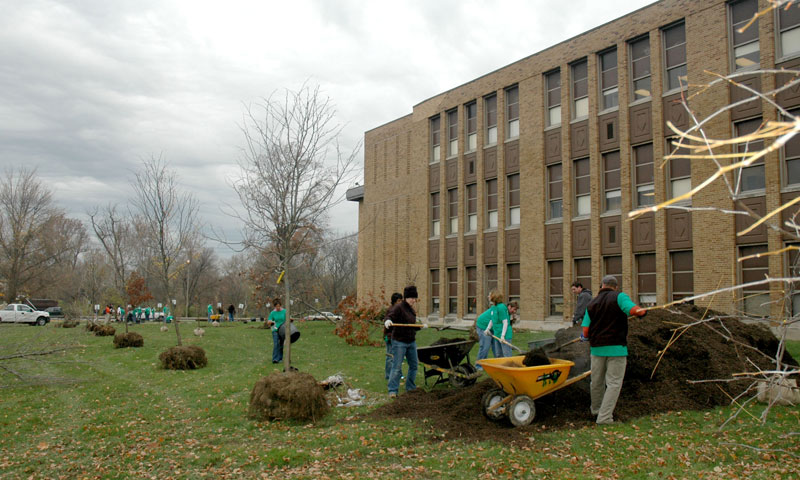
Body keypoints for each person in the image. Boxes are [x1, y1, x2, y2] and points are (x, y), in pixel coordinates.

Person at [581, 274, 647, 425]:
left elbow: (585, 331)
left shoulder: (592, 302)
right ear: (616, 287)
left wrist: (586, 336)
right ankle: (604, 418)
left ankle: (596, 410)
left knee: (596, 382)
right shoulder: (619, 296)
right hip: (616, 348)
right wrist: (642, 312)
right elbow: (632, 310)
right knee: (614, 383)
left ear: (602, 285)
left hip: (597, 349)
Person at [385, 285, 426, 398]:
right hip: (399, 342)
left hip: (411, 341)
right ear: (406, 298)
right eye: (412, 298)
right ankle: (392, 390)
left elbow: (411, 326)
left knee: (414, 365)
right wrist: (388, 321)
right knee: (397, 367)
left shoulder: (411, 309)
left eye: (415, 298)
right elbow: (390, 316)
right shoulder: (399, 307)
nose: (414, 300)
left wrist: (421, 327)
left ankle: (410, 387)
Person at [485, 289, 512, 357]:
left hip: (505, 335)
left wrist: (503, 336)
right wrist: (488, 329)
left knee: (506, 354)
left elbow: (505, 322)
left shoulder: (501, 307)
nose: (488, 296)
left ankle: (508, 367)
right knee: (498, 354)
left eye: (490, 295)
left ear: (494, 297)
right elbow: (492, 319)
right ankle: (500, 367)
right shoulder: (493, 307)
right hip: (497, 334)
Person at [383, 292, 403, 381]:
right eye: (399, 300)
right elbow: (387, 321)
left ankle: (398, 374)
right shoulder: (391, 310)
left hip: (398, 337)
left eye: (401, 300)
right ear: (394, 301)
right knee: (390, 356)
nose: (400, 302)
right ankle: (388, 375)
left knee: (398, 356)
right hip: (390, 336)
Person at [475, 296, 497, 369]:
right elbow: (494, 321)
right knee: (485, 346)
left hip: (491, 327)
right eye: (514, 309)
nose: (515, 312)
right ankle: (479, 365)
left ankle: (499, 363)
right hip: (483, 326)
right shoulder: (500, 311)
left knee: (496, 346)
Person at [267, 298, 286, 364]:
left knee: (281, 344)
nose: (278, 307)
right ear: (274, 306)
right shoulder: (272, 313)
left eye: (279, 306)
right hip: (275, 329)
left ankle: (280, 358)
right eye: (276, 306)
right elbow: (269, 321)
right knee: (276, 344)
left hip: (283, 329)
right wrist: (270, 322)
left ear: (280, 305)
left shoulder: (284, 311)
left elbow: (288, 319)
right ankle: (275, 359)